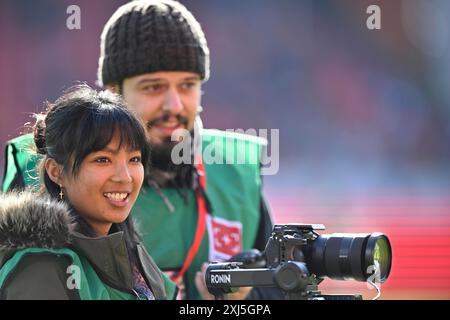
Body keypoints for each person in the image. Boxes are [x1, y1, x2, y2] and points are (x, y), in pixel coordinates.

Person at [2, 0, 276, 299]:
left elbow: (279, 290)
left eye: (187, 85)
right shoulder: (39, 163)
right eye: (153, 87)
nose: (174, 105)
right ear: (113, 92)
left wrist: (242, 301)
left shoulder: (236, 171)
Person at [0, 85, 176, 300]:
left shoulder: (130, 254)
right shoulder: (42, 267)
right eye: (103, 160)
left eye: (134, 159)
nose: (125, 177)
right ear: (56, 172)